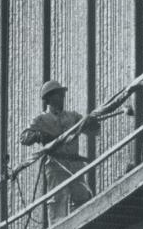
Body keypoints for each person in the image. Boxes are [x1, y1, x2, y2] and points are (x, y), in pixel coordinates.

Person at [19, 80, 100, 221]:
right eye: (59, 94)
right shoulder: (41, 119)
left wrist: (92, 124)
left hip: (75, 164)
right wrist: (38, 135)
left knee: (81, 196)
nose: (62, 97)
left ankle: (81, 224)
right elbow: (24, 137)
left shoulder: (73, 116)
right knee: (58, 201)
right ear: (49, 98)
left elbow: (93, 130)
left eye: (62, 94)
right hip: (55, 164)